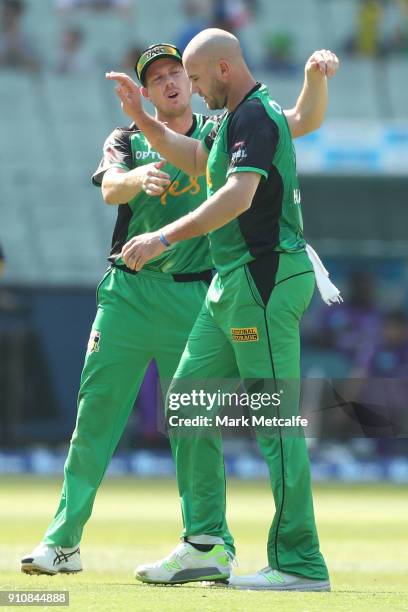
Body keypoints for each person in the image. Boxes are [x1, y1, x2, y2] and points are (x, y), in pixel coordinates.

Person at [21, 39, 338, 578]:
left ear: (209, 73)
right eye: (165, 76)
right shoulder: (215, 125)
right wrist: (142, 123)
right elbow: (176, 162)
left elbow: (252, 177)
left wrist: (163, 238)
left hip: (246, 279)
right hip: (191, 287)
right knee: (178, 407)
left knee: (270, 420)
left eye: (185, 73)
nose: (181, 83)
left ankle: (295, 560)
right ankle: (198, 544)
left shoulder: (247, 117)